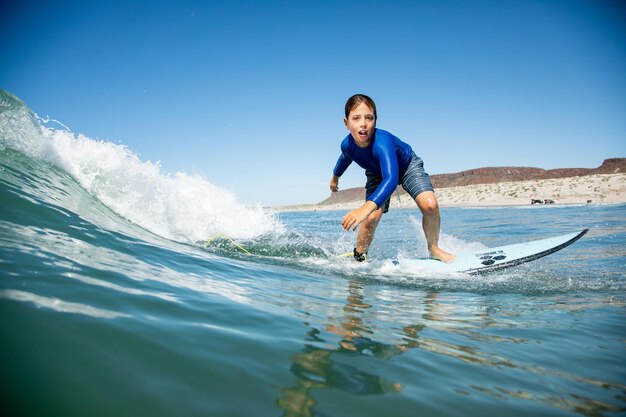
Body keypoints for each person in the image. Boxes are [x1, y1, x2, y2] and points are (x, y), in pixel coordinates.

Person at [330, 94, 455, 263]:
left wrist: (364, 208)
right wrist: (335, 178)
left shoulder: (382, 142)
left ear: (376, 120)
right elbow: (344, 159)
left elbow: (391, 178)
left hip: (407, 166)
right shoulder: (347, 145)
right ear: (346, 123)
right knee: (372, 217)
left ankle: (433, 249)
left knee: (430, 205)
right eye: (356, 118)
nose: (363, 124)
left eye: (369, 118)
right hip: (376, 172)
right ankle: (359, 256)